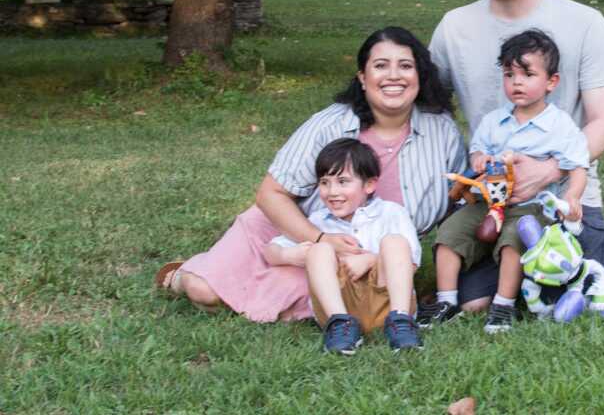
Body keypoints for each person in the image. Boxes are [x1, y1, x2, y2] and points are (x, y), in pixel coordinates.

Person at [156, 26, 466, 326]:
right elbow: (270, 195)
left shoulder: (442, 132)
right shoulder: (329, 125)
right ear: (362, 77)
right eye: (381, 66)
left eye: (405, 66)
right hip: (293, 233)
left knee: (329, 300)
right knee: (204, 293)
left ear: (419, 76)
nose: (394, 76)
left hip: (362, 255)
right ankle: (182, 275)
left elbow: (457, 204)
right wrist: (320, 239)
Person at [426, 0, 604, 317]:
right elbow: (423, 109)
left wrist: (551, 170)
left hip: (563, 198)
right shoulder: (453, 28)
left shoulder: (585, 22)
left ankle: (582, 260)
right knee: (474, 303)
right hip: (491, 199)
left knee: (563, 290)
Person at [421, 29, 590, 333]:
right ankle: (446, 300)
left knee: (515, 238)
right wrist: (480, 161)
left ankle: (503, 304)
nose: (517, 82)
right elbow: (477, 153)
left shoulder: (559, 126)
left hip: (532, 207)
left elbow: (577, 166)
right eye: (510, 74)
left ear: (551, 82)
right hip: (490, 203)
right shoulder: (493, 121)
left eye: (527, 74)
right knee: (449, 232)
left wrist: (573, 197)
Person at [262, 137, 422, 354]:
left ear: (369, 184)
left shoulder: (391, 213)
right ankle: (339, 325)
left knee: (395, 242)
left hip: (386, 301)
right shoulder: (318, 222)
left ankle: (401, 322)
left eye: (343, 181)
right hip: (340, 304)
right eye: (324, 182)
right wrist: (290, 255)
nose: (332, 191)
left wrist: (370, 259)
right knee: (319, 248)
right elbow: (271, 251)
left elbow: (412, 259)